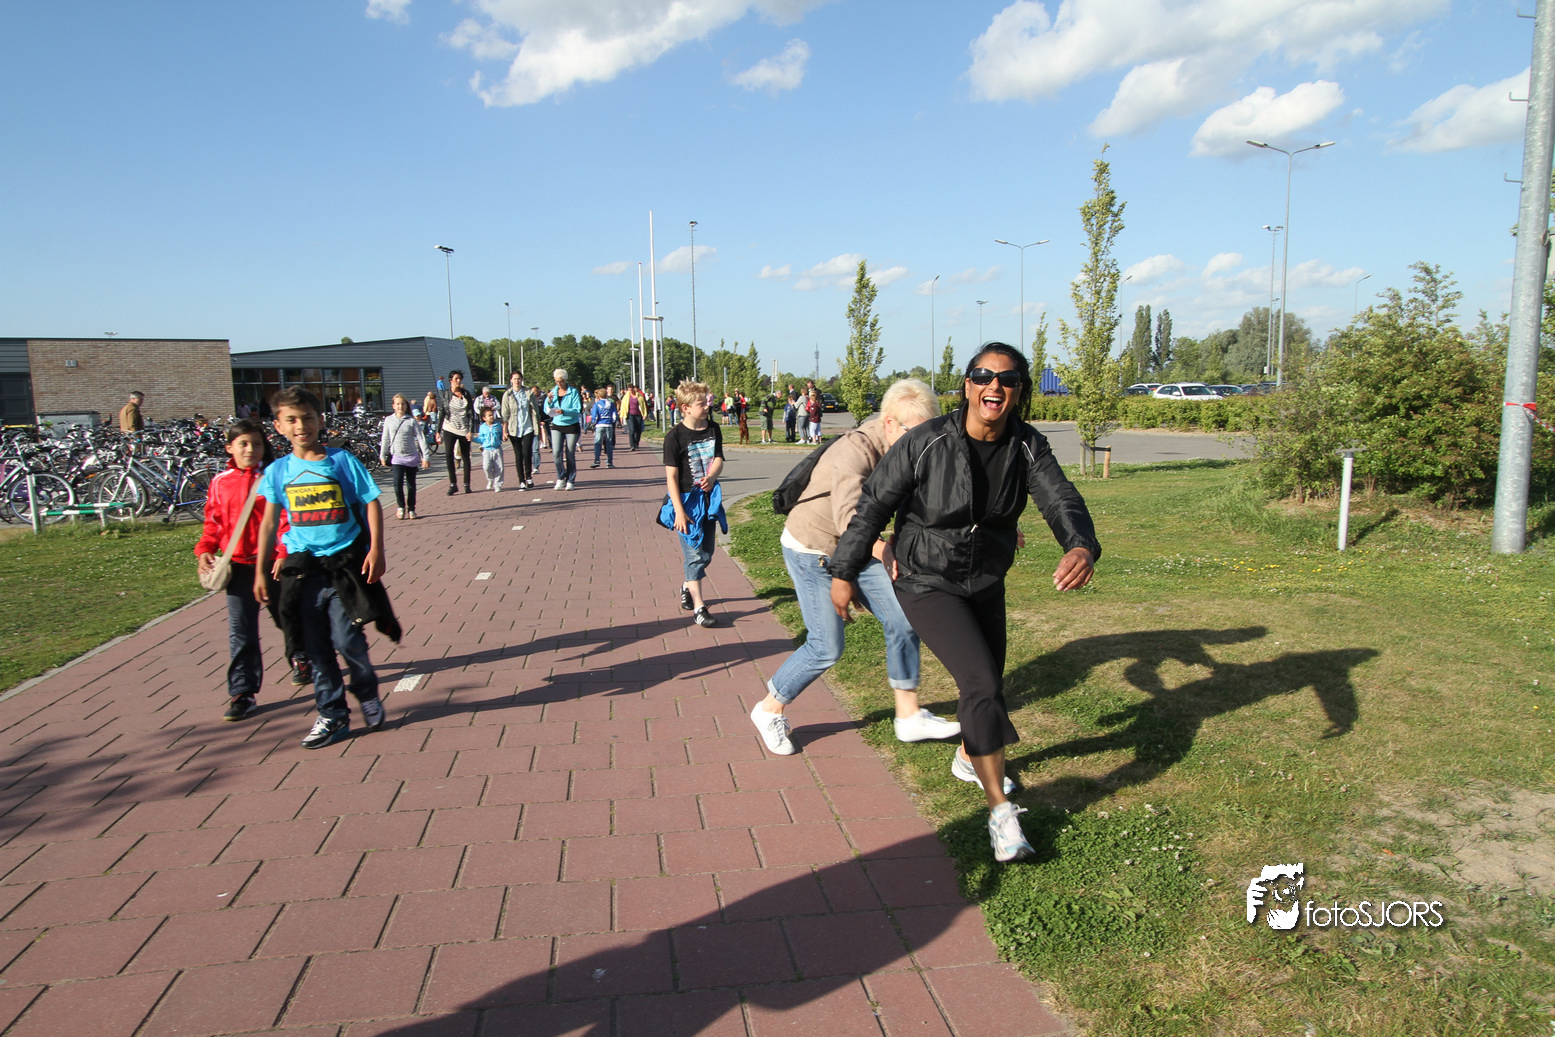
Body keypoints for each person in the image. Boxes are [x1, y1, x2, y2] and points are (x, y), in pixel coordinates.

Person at [828, 344, 1101, 862]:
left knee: (988, 684)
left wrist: (1080, 544)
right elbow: (873, 505)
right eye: (983, 376)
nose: (994, 386)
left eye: (1007, 379)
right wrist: (844, 572)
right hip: (926, 579)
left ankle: (967, 756)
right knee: (981, 685)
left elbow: (1059, 497)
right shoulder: (926, 441)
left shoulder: (1027, 444)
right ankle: (1001, 814)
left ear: (1020, 391)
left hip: (986, 579)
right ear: (967, 386)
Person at [749, 379, 958, 756]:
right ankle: (769, 709)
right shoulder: (855, 450)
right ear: (890, 422)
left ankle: (908, 715)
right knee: (826, 646)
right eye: (916, 434)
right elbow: (849, 521)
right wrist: (884, 551)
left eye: (930, 434)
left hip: (857, 547)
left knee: (904, 618)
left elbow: (941, 495)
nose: (924, 443)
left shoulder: (908, 449)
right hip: (813, 549)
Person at [254, 387, 394, 750]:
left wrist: (376, 549)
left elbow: (371, 502)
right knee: (315, 649)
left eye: (307, 418)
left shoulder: (342, 461)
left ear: (320, 420)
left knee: (348, 641)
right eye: (291, 420)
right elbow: (268, 524)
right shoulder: (277, 472)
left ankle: (367, 693)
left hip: (344, 566)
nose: (301, 426)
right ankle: (332, 714)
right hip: (303, 571)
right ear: (278, 426)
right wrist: (260, 571)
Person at [195, 419, 290, 723]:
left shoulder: (272, 478)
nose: (251, 449)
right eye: (244, 444)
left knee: (288, 619)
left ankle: (301, 656)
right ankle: (242, 691)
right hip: (238, 567)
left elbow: (285, 520)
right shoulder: (220, 482)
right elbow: (213, 521)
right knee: (242, 631)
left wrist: (283, 553)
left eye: (257, 444)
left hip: (272, 566)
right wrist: (205, 548)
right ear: (229, 448)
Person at [662, 380, 725, 629]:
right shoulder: (674, 437)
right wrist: (679, 511)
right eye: (701, 404)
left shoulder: (713, 428)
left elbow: (718, 458)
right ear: (686, 408)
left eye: (706, 402)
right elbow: (671, 477)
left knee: (706, 553)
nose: (707, 407)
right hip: (686, 502)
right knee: (695, 554)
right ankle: (699, 608)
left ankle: (688, 584)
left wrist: (712, 476)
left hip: (708, 499)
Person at [379, 393, 430, 519]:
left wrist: (425, 457)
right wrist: (383, 455)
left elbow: (421, 438)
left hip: (411, 456)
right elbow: (385, 438)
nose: (400, 406)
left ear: (406, 406)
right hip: (397, 456)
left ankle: (411, 509)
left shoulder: (411, 421)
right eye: (397, 404)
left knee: (411, 485)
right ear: (393, 406)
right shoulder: (389, 420)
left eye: (402, 404)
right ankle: (401, 507)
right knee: (397, 484)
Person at [437, 371, 476, 495]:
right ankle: (453, 484)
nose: (458, 381)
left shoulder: (466, 394)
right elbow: (441, 412)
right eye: (456, 379)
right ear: (451, 380)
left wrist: (470, 431)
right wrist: (438, 431)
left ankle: (466, 484)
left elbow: (471, 414)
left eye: (460, 379)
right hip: (449, 427)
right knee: (449, 455)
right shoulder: (446, 394)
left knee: (465, 457)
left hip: (463, 429)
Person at [545, 368, 583, 490]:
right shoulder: (553, 392)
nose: (559, 384)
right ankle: (561, 477)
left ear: (565, 380)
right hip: (557, 424)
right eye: (557, 381)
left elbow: (577, 409)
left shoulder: (573, 392)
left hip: (571, 425)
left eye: (561, 381)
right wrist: (549, 401)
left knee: (570, 453)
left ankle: (570, 480)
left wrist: (565, 411)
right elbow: (546, 409)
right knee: (556, 452)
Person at [502, 372, 538, 490]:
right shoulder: (507, 395)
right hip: (514, 429)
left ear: (521, 380)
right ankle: (521, 480)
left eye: (519, 379)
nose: (517, 381)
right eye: (515, 379)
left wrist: (537, 424)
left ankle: (529, 477)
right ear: (511, 380)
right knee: (518, 456)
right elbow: (505, 414)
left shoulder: (528, 393)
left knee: (526, 453)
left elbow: (535, 410)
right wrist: (504, 431)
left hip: (527, 427)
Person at [476, 405, 504, 491]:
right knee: (486, 467)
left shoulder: (498, 425)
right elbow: (481, 439)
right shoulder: (482, 427)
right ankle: (490, 479)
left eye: (492, 415)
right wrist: (473, 439)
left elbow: (501, 436)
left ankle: (497, 484)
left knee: (499, 467)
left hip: (497, 448)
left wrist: (504, 437)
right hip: (487, 450)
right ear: (484, 418)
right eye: (489, 415)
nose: (491, 417)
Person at [589, 387, 618, 469]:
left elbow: (595, 416)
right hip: (608, 425)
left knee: (597, 442)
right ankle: (609, 462)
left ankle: (597, 460)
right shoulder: (611, 403)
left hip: (599, 425)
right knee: (609, 444)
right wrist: (613, 422)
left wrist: (593, 423)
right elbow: (615, 415)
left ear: (599, 396)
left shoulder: (597, 404)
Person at [620, 383, 646, 450]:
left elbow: (643, 405)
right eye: (629, 390)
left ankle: (636, 442)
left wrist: (644, 414)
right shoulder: (626, 397)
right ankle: (632, 445)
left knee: (638, 430)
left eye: (631, 390)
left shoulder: (639, 396)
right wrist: (621, 416)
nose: (630, 392)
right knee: (632, 429)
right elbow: (623, 406)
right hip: (630, 415)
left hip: (638, 415)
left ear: (634, 389)